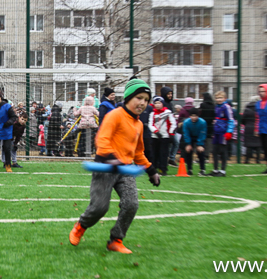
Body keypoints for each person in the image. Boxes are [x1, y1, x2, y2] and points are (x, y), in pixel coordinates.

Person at [68, 78, 160, 253]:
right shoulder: (115, 115)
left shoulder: (139, 124)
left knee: (131, 204)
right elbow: (102, 139)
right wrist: (112, 157)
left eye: (146, 100)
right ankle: (81, 225)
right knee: (99, 207)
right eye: (139, 98)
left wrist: (151, 170)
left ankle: (116, 240)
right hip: (105, 167)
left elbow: (138, 152)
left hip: (125, 170)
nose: (143, 103)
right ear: (128, 98)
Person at [147, 96, 176, 175]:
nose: (157, 105)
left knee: (163, 154)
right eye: (155, 103)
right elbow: (150, 124)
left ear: (162, 104)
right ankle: (154, 168)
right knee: (154, 153)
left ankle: (163, 169)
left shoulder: (168, 112)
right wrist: (155, 131)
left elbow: (173, 123)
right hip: (155, 136)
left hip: (165, 136)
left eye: (159, 103)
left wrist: (170, 133)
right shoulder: (152, 113)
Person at [210, 91, 235, 177]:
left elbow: (231, 120)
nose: (218, 99)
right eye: (217, 98)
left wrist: (229, 131)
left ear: (224, 98)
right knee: (214, 151)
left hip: (223, 132)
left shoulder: (226, 107)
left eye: (220, 98)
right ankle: (215, 169)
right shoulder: (216, 107)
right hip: (216, 132)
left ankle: (223, 170)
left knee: (223, 151)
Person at [181, 108, 208, 175]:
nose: (194, 117)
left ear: (198, 116)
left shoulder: (202, 122)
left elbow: (202, 133)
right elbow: (186, 133)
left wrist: (200, 144)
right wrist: (188, 144)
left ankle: (202, 169)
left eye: (195, 116)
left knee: (201, 152)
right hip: (190, 136)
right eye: (192, 116)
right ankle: (189, 169)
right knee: (188, 151)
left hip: (199, 137)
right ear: (189, 116)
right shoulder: (186, 122)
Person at [242, 97, 261, 163]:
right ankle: (258, 160)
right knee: (258, 144)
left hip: (248, 127)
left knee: (248, 145)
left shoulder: (247, 109)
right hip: (257, 127)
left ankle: (247, 160)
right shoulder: (260, 108)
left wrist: (246, 124)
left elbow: (243, 119)